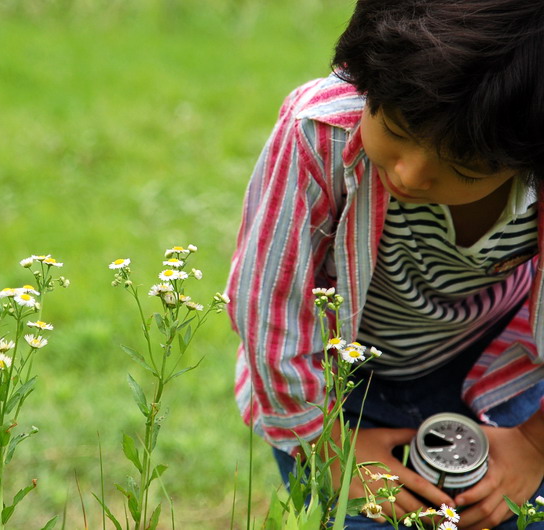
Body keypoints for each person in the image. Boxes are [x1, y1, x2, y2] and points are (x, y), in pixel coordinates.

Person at [225, 1, 544, 528]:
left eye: (462, 168)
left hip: (498, 370)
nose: (412, 173)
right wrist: (328, 449)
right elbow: (269, 309)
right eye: (395, 129)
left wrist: (533, 441)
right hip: (331, 388)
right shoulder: (321, 132)